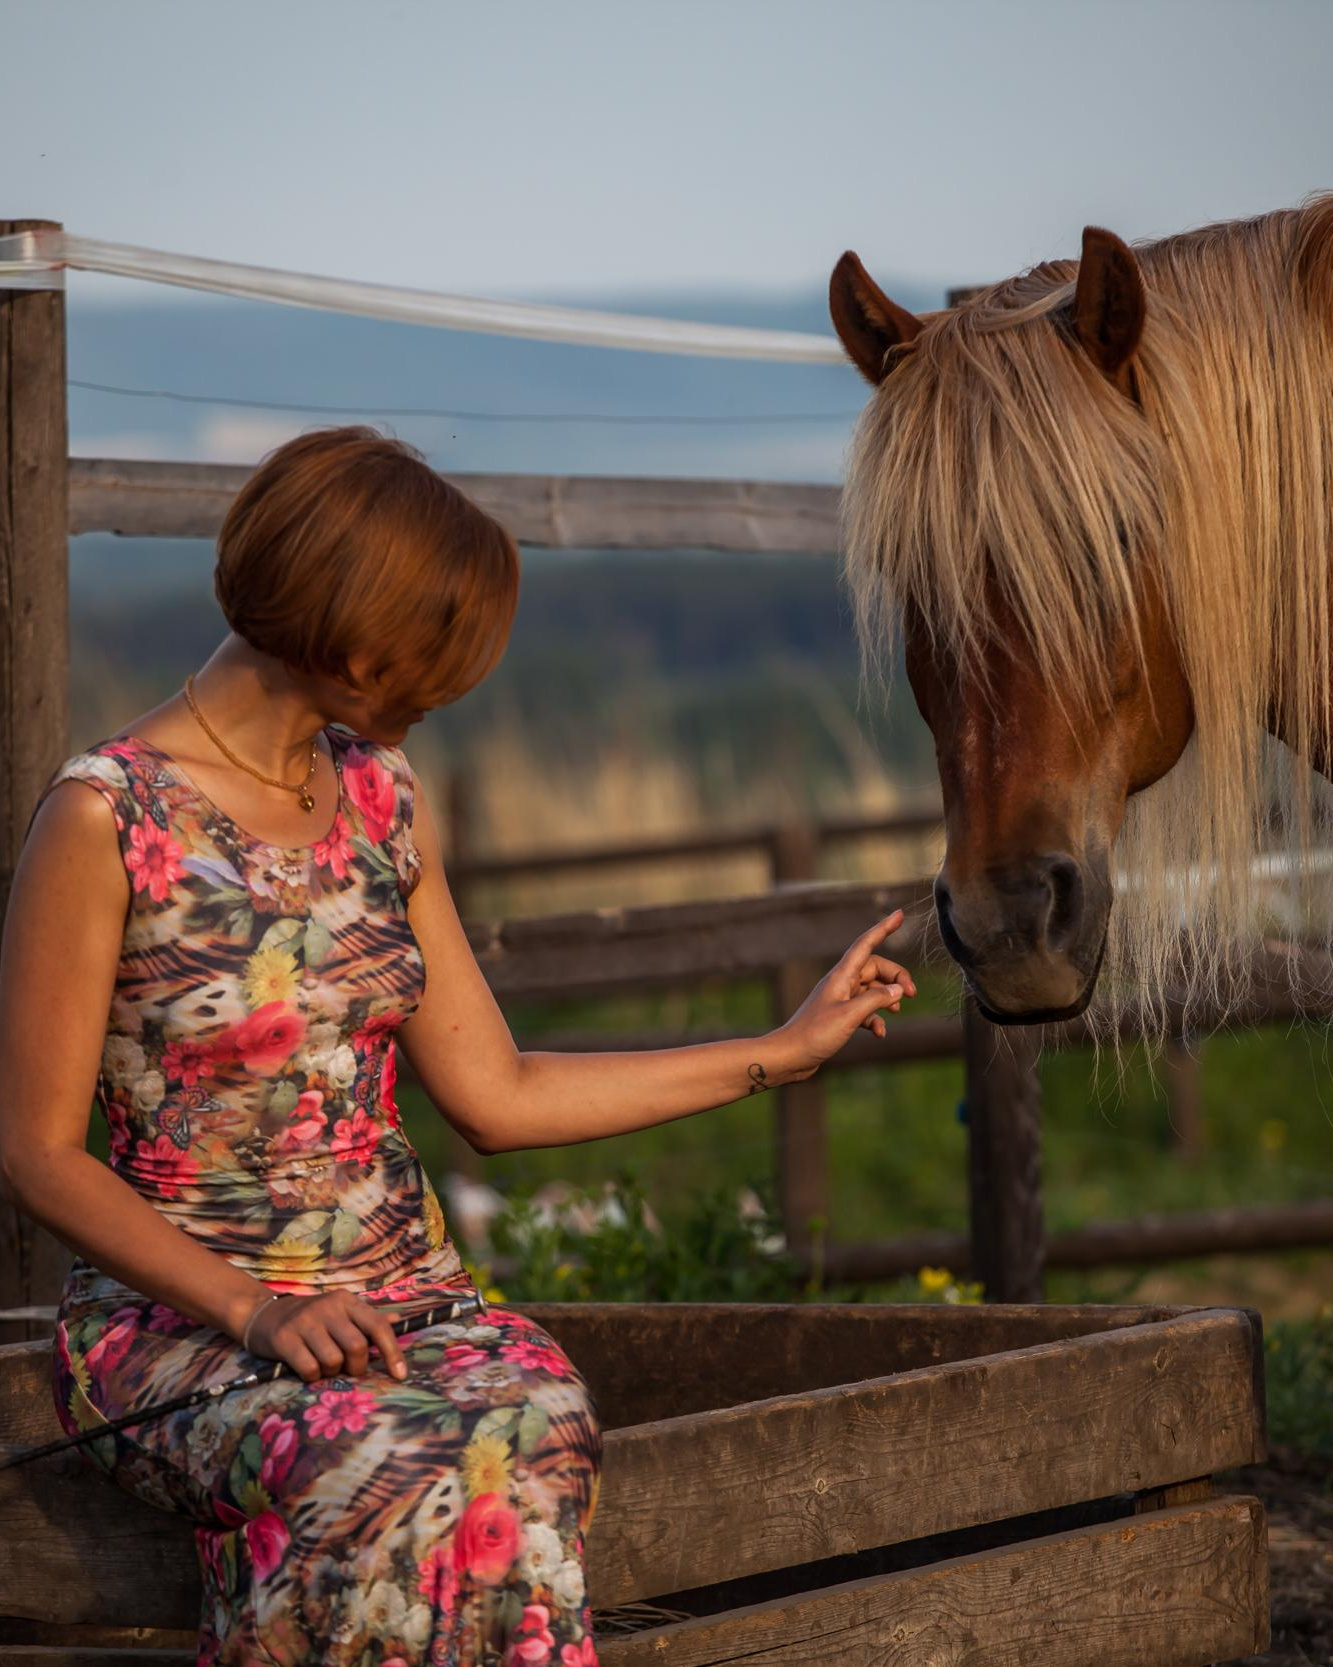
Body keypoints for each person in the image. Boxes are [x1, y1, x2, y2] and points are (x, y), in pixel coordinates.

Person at [0, 425, 917, 1667]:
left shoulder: (382, 797)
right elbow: (38, 1151)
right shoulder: (104, 816)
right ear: (355, 644)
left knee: (541, 1421)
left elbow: (499, 1090)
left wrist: (780, 1050)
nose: (453, 689)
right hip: (182, 1327)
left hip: (404, 1302)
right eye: (436, 656)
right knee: (377, 1460)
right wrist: (259, 1312)